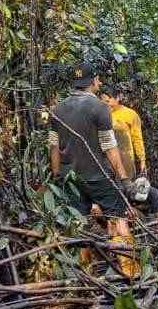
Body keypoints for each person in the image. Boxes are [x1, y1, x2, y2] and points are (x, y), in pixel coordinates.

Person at [48, 64, 134, 238]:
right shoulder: (100, 107)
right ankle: (126, 262)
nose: (100, 82)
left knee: (77, 226)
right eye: (98, 79)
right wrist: (124, 178)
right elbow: (109, 146)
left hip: (70, 179)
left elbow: (53, 146)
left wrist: (57, 175)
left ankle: (80, 264)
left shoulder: (57, 110)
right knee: (117, 222)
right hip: (98, 177)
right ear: (93, 81)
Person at [99, 84, 158, 218]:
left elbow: (137, 139)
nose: (106, 104)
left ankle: (141, 218)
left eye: (108, 101)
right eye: (102, 101)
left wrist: (142, 161)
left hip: (127, 162)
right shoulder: (100, 115)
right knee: (114, 191)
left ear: (117, 98)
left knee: (132, 190)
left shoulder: (130, 115)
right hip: (106, 161)